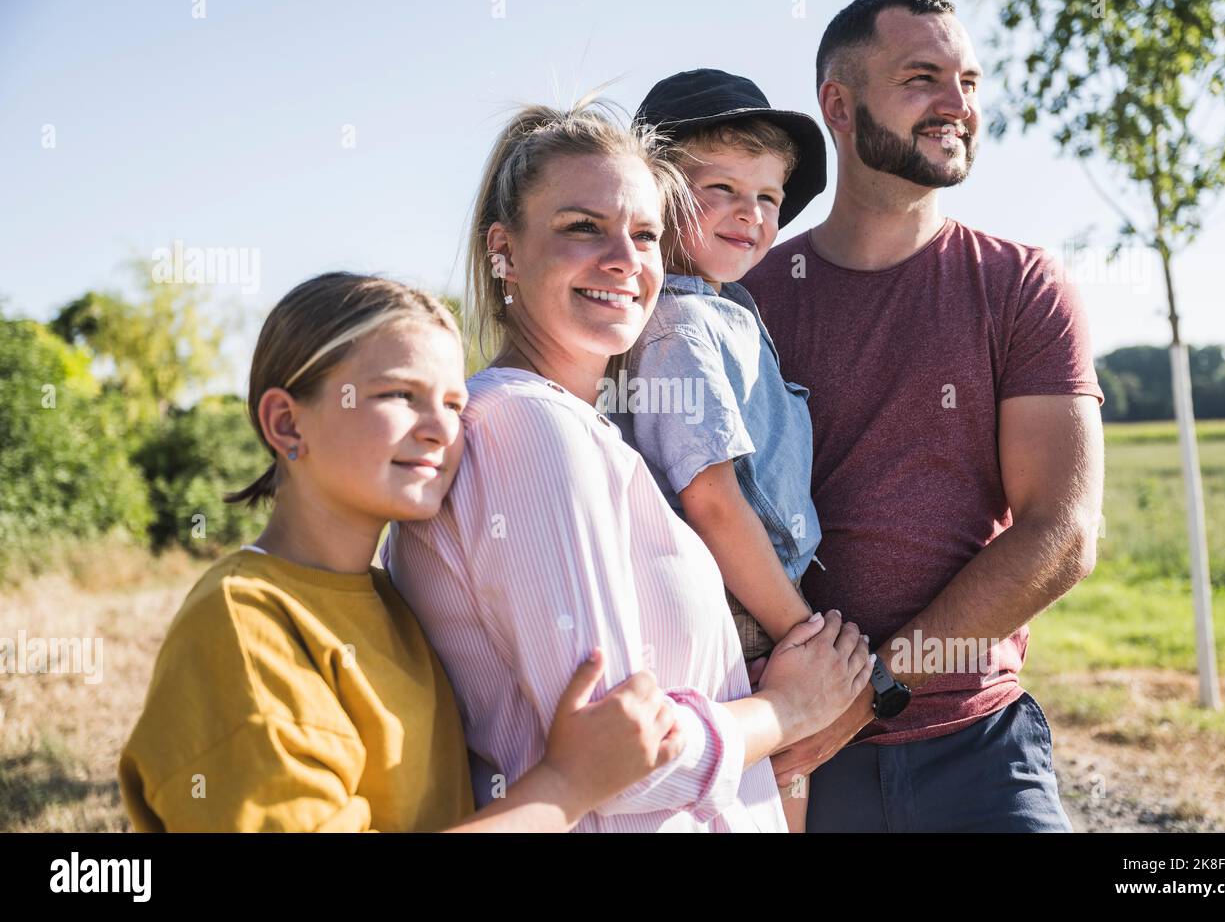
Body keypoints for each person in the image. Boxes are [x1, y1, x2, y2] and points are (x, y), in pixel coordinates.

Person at [383, 98, 874, 832]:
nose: (624, 261)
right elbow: (620, 766)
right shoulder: (529, 427)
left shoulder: (595, 430)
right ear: (503, 252)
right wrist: (791, 707)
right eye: (583, 227)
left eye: (644, 234)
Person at [118, 272, 688, 832]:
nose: (441, 428)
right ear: (287, 424)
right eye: (399, 394)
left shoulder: (394, 599)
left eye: (453, 403)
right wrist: (567, 785)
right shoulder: (244, 626)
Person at [741, 0, 1105, 832]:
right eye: (922, 77)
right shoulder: (748, 301)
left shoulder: (1021, 286)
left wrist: (869, 693)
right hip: (792, 757)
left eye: (970, 81)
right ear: (839, 105)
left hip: (977, 745)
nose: (959, 105)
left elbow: (1062, 534)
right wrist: (807, 712)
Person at [610, 68, 830, 832]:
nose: (752, 214)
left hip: (760, 596)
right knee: (772, 778)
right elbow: (712, 497)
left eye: (768, 197)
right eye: (723, 190)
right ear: (657, 196)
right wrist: (803, 632)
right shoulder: (679, 322)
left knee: (783, 783)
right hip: (741, 608)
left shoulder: (728, 312)